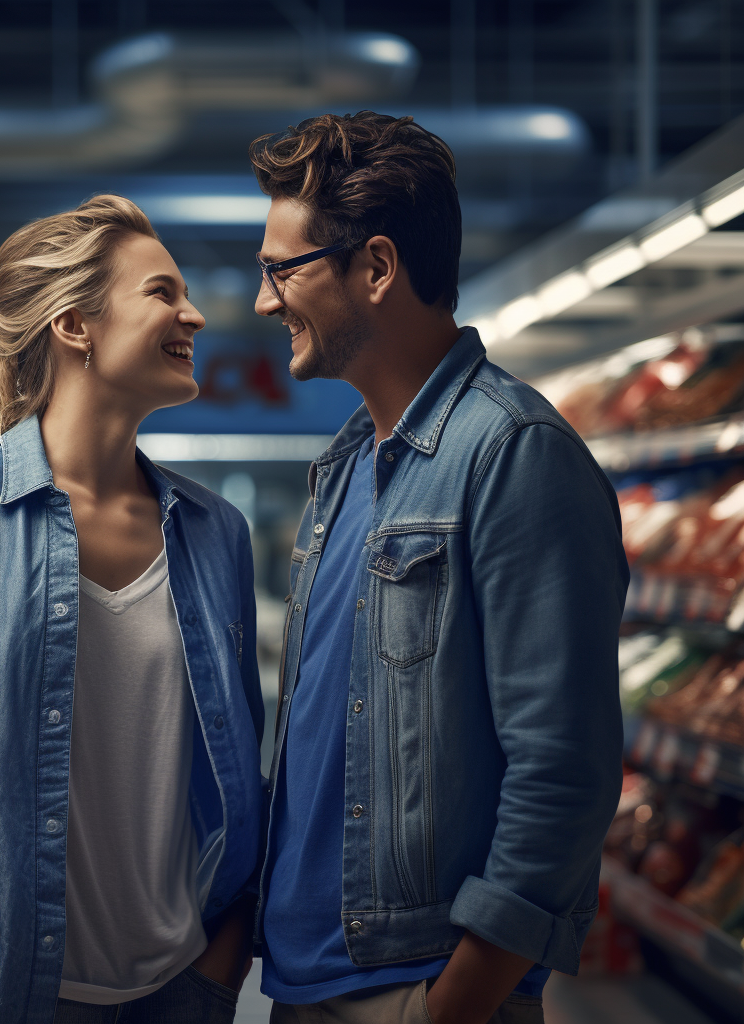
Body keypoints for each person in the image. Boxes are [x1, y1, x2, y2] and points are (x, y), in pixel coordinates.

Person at [250, 112, 629, 1024]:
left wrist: (452, 1006)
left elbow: (564, 769)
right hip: (302, 980)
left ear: (375, 268)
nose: (265, 302)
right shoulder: (342, 470)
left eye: (282, 270)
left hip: (413, 985)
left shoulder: (514, 455)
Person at [0, 195, 264, 1024]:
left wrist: (222, 958)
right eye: (162, 292)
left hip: (184, 984)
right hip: (16, 990)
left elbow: (237, 761)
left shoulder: (217, 533)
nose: (196, 314)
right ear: (76, 325)